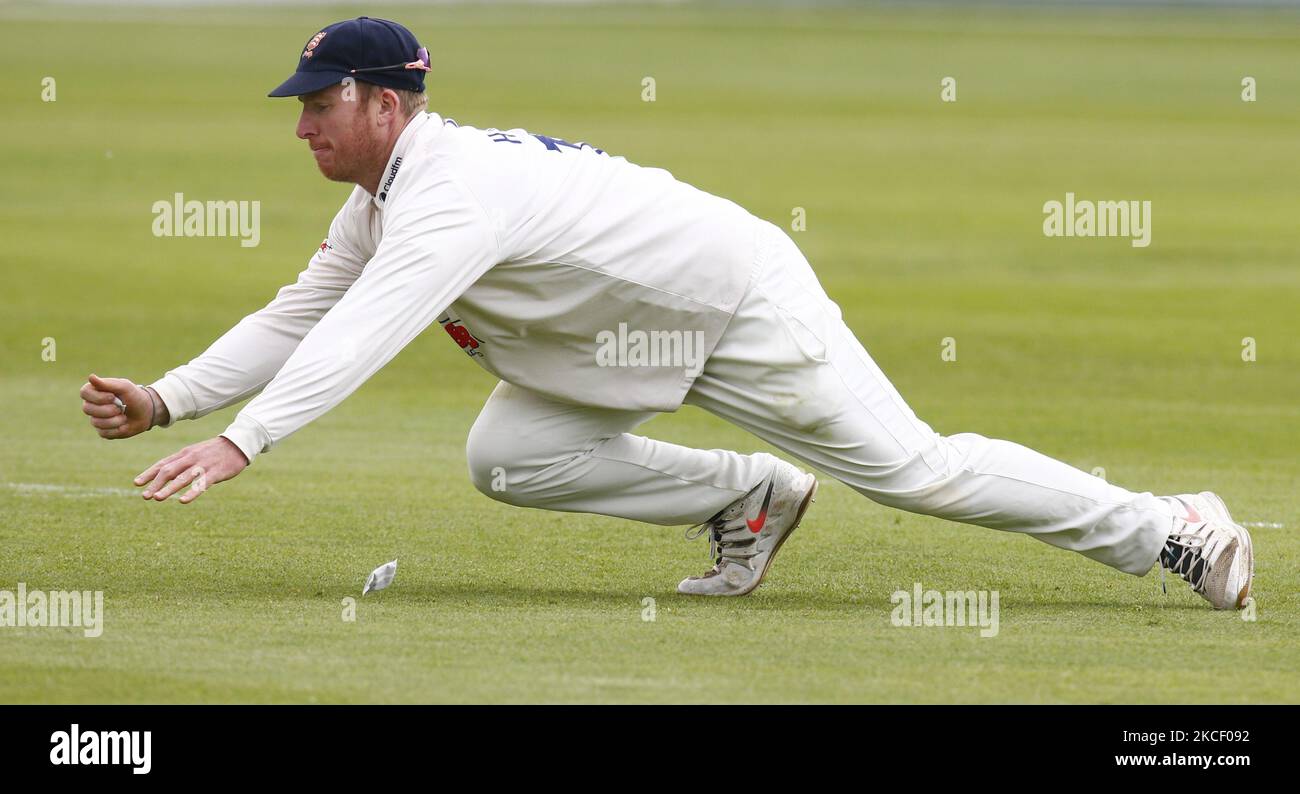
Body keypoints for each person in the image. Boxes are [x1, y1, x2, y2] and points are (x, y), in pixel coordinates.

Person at [79, 17, 1252, 607]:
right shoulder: (389, 197)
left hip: (732, 305)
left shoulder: (450, 194)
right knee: (510, 453)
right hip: (614, 340)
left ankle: (1172, 526)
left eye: (318, 105)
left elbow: (364, 331)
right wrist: (171, 396)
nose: (301, 129)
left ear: (387, 105)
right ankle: (748, 497)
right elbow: (302, 310)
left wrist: (244, 439)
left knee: (917, 473)